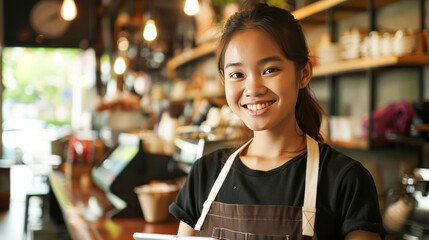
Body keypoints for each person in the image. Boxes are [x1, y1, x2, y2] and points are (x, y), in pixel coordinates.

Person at [169, 3, 386, 240]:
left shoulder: (346, 180)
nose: (252, 88)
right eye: (237, 74)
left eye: (270, 70)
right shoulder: (204, 174)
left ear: (303, 74)